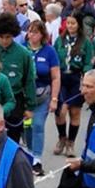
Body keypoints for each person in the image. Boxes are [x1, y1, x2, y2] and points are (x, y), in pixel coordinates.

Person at [0, 13, 37, 145]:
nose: (4, 41)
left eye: (8, 37)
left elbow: (29, 80)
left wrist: (30, 107)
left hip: (16, 101)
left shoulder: (23, 54)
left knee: (12, 140)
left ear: (14, 35)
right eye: (1, 37)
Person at [23, 20, 60, 177]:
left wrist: (54, 98)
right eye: (30, 32)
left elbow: (56, 76)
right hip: (25, 97)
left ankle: (36, 158)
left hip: (41, 95)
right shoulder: (23, 49)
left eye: (36, 32)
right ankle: (29, 153)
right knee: (27, 127)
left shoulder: (49, 52)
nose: (32, 35)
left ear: (42, 34)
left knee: (37, 125)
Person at [54, 13, 94, 157]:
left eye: (73, 23)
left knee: (75, 112)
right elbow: (54, 58)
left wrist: (86, 77)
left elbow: (88, 61)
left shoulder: (85, 42)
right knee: (60, 111)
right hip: (62, 77)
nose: (70, 26)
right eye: (68, 23)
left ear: (79, 25)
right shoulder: (60, 40)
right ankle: (61, 138)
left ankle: (71, 142)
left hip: (76, 77)